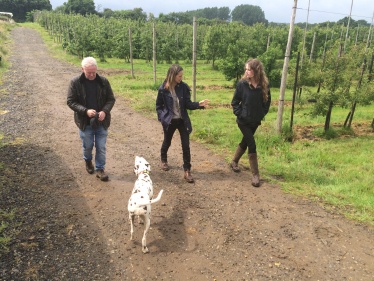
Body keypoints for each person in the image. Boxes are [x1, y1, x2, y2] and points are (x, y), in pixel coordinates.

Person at [156, 64, 210, 183]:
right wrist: (162, 118)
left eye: (182, 76)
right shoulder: (163, 89)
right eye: (179, 76)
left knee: (186, 146)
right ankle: (163, 159)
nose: (181, 78)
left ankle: (187, 171)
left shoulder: (184, 87)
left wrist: (198, 104)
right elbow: (159, 106)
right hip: (170, 121)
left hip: (182, 121)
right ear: (173, 75)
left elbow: (188, 105)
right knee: (167, 141)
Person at [67, 57, 115, 181]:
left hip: (101, 122)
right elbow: (71, 101)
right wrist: (85, 111)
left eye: (94, 72)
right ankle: (88, 161)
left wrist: (105, 111)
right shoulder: (75, 82)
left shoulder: (103, 81)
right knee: (88, 146)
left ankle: (100, 169)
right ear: (83, 69)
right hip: (85, 123)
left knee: (101, 147)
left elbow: (111, 99)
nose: (92, 75)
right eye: (89, 73)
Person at [230, 59, 271, 187]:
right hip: (243, 121)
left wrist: (261, 113)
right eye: (246, 69)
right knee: (251, 144)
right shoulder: (242, 84)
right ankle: (255, 175)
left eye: (249, 69)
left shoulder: (263, 85)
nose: (246, 71)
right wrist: (239, 113)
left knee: (245, 142)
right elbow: (235, 101)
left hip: (255, 121)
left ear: (256, 70)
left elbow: (267, 102)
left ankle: (234, 162)